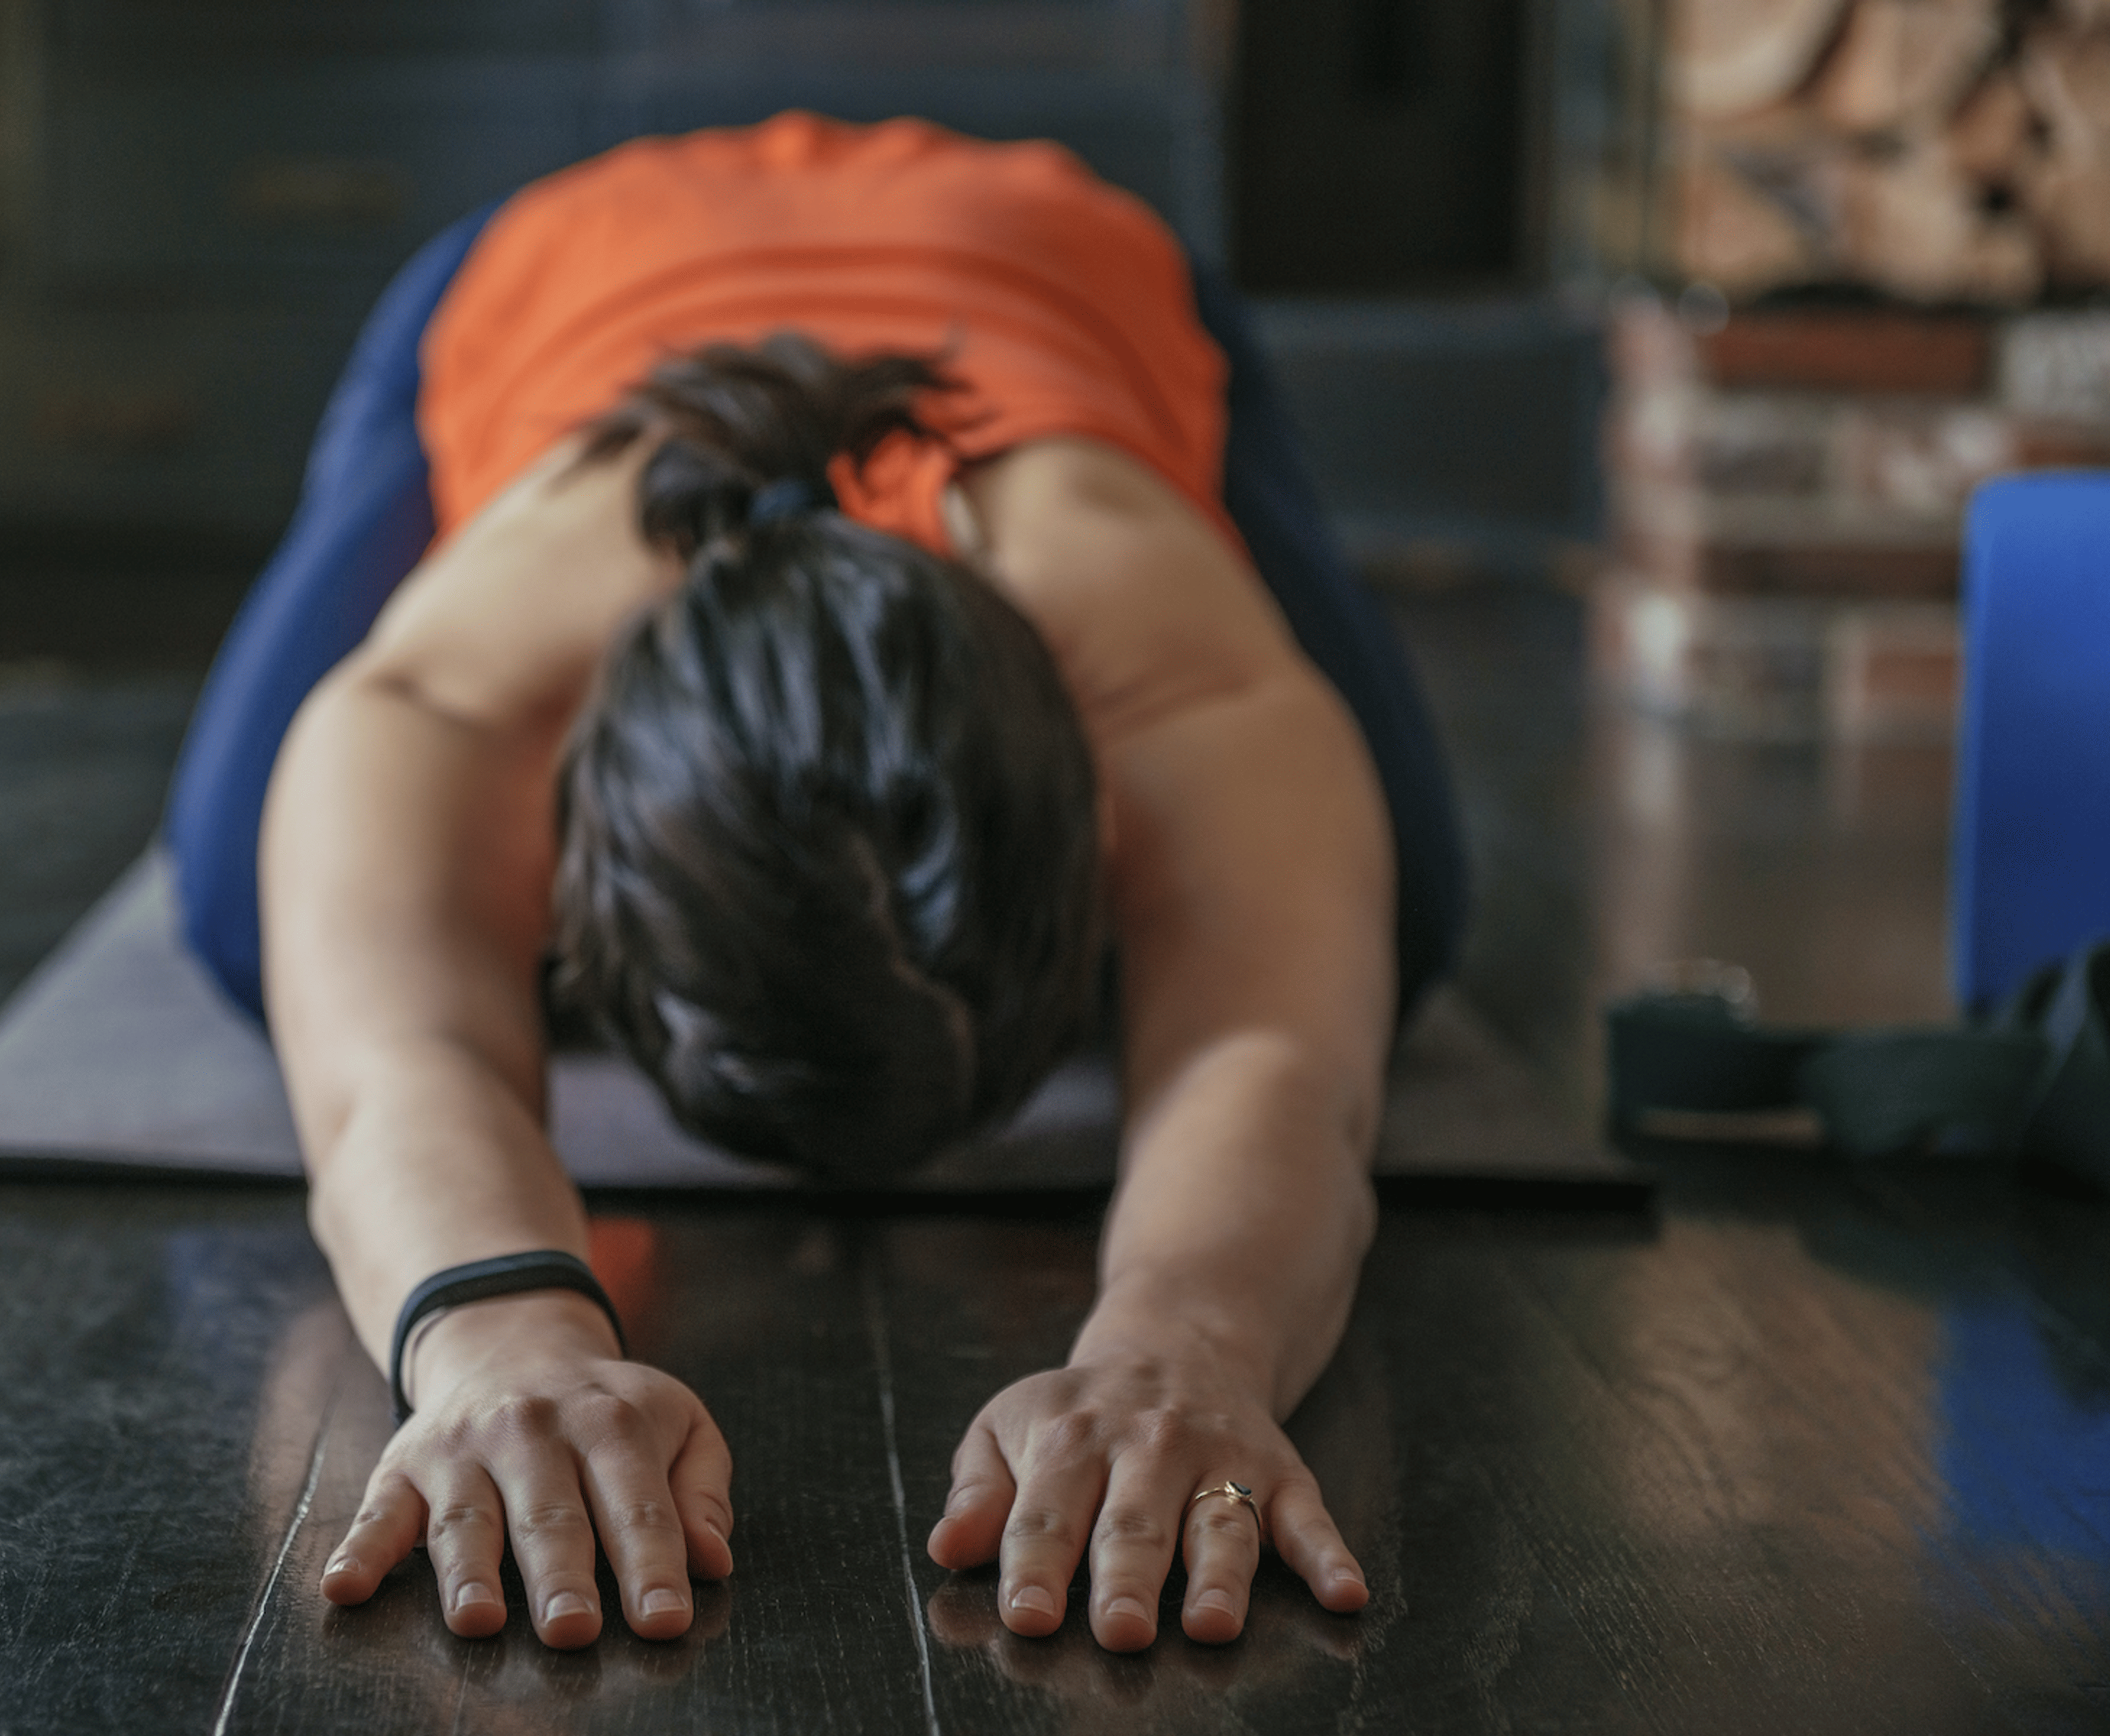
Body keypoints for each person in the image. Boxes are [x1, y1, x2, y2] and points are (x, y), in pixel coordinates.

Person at [161, 112, 1468, 1655]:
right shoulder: (448, 702)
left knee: (1403, 900)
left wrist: (1183, 1348)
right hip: (557, 262)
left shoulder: (1166, 656)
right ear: (565, 845)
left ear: (1102, 800)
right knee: (254, 905)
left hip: (1070, 269)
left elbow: (1282, 1056)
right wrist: (502, 1343)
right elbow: (396, 1069)